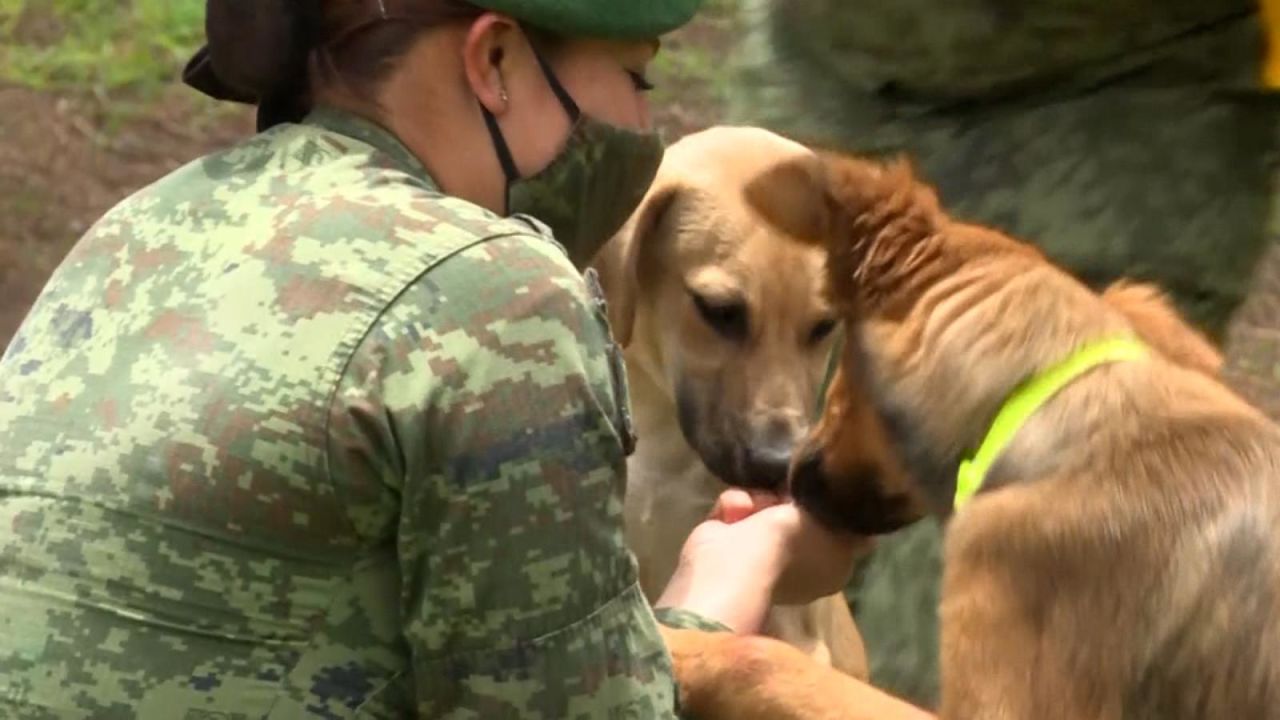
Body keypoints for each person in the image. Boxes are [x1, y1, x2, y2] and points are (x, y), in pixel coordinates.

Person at [0, 1, 866, 717]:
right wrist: (727, 581)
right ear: (493, 61)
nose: (645, 129)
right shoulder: (494, 290)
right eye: (636, 79)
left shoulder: (137, 229)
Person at [730, 0, 1279, 707]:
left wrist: (714, 663)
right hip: (839, 66)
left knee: (911, 648)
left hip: (1127, 108)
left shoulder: (1034, 531)